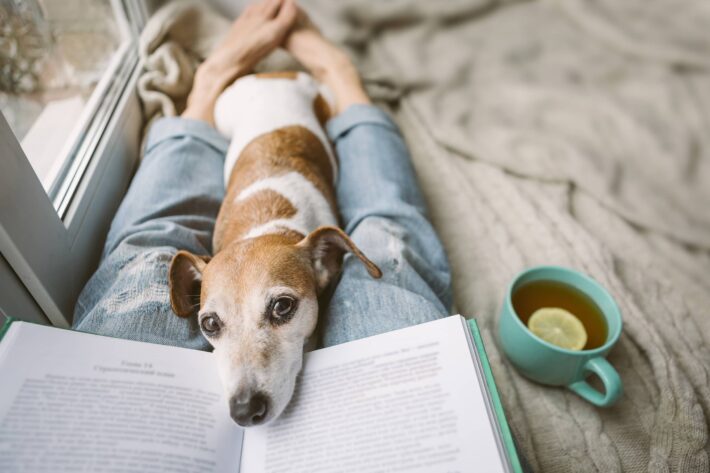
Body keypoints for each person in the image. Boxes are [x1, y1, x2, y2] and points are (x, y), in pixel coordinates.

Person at [73, 0, 452, 351]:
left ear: (326, 262)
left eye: (282, 308)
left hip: (303, 99)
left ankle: (310, 78)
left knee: (148, 246)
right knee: (387, 230)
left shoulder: (315, 258)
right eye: (212, 324)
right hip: (252, 110)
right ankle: (328, 81)